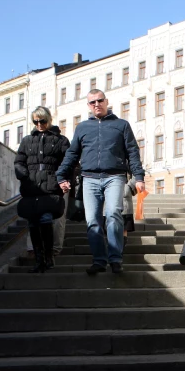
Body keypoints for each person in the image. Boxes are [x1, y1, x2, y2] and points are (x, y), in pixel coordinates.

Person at [56, 90, 145, 275]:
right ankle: (99, 260)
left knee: (113, 213)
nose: (96, 104)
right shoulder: (82, 128)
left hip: (115, 176)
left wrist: (139, 177)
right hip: (89, 179)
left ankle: (115, 259)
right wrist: (61, 176)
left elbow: (132, 151)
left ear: (106, 101)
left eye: (99, 100)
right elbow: (72, 154)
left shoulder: (121, 125)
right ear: (88, 106)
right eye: (92, 102)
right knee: (92, 221)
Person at [14, 106, 70, 273]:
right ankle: (38, 260)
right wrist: (24, 175)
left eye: (42, 121)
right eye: (36, 121)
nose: (39, 124)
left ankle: (48, 257)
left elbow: (69, 161)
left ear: (49, 119)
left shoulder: (61, 140)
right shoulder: (27, 140)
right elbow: (19, 161)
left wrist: (61, 178)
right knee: (32, 222)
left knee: (46, 219)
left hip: (50, 187)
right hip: (31, 187)